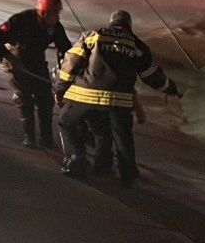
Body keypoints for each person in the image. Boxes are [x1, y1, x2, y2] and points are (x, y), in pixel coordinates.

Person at [54, 10, 181, 187]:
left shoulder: (92, 36)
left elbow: (72, 63)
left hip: (85, 96)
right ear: (129, 26)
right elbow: (151, 76)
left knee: (66, 121)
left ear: (111, 22)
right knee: (122, 137)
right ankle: (126, 174)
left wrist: (60, 87)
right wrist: (172, 89)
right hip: (118, 101)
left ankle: (76, 160)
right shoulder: (137, 45)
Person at [0, 0, 72, 148]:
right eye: (55, 13)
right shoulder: (20, 20)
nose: (57, 16)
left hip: (36, 61)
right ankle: (29, 136)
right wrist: (10, 58)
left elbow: (66, 49)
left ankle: (46, 139)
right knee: (24, 97)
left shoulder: (55, 27)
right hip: (14, 59)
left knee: (45, 98)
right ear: (44, 13)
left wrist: (70, 67)